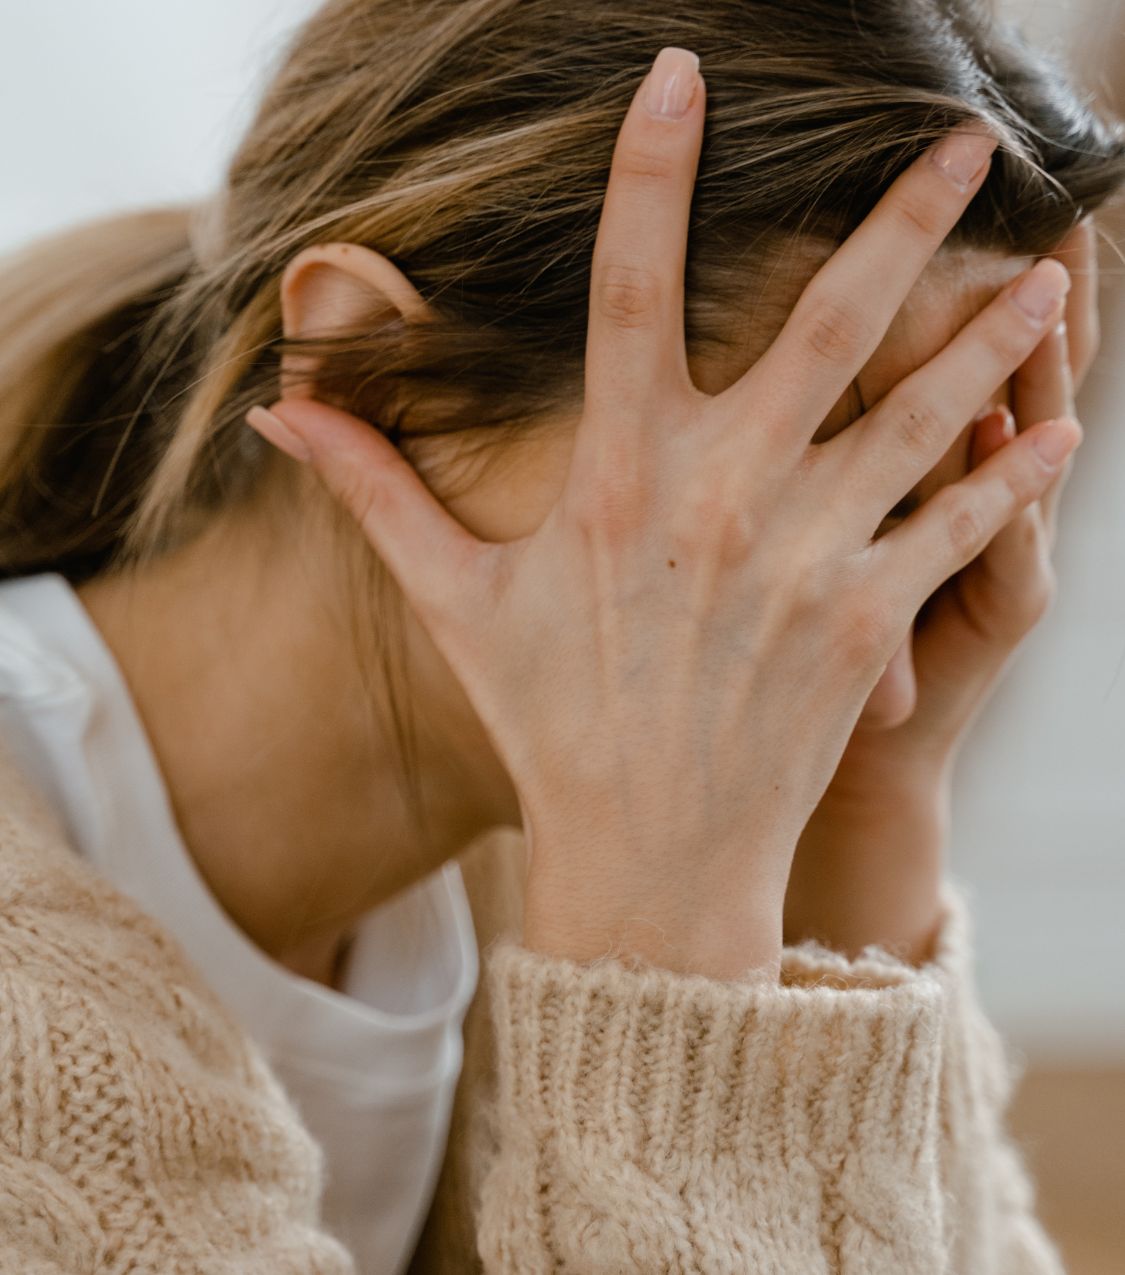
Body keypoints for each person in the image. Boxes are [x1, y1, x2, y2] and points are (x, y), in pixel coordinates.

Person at [0, 1, 1121, 1270]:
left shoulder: (514, 885)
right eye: (790, 487)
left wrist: (866, 819)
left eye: (926, 499)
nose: (856, 623)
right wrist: (663, 977)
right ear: (374, 372)